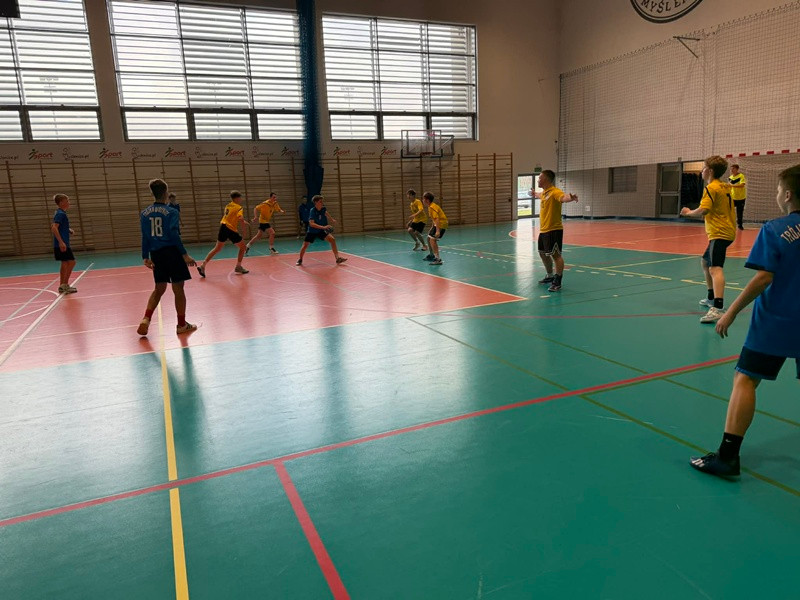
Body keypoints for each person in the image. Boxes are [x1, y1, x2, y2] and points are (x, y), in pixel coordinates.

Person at [690, 164, 800, 478]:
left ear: (787, 195)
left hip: (776, 321)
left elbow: (764, 278)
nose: (777, 194)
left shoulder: (776, 229)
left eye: (778, 190)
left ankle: (727, 456)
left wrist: (731, 311)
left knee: (746, 379)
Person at [137, 179, 197, 336]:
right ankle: (181, 325)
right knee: (178, 289)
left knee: (159, 289)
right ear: (165, 192)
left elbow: (145, 236)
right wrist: (185, 255)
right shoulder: (172, 212)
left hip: (156, 254)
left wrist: (145, 256)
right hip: (172, 253)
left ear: (152, 193)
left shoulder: (144, 213)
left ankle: (146, 318)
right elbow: (174, 235)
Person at [680, 155, 737, 323]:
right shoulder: (724, 186)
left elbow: (704, 210)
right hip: (727, 231)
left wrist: (688, 213)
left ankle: (718, 308)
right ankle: (711, 297)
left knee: (715, 269)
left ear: (710, 171)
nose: (702, 171)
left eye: (704, 168)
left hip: (720, 233)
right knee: (705, 262)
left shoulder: (711, 188)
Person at [533, 170, 578, 292]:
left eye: (540, 178)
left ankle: (557, 281)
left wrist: (570, 198)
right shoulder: (545, 193)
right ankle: (550, 275)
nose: (538, 180)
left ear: (546, 179)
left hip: (554, 229)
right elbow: (539, 195)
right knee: (542, 253)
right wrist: (534, 193)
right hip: (544, 230)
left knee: (556, 255)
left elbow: (563, 197)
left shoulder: (555, 192)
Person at [197, 190, 250, 277]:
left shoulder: (228, 205)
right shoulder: (239, 207)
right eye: (240, 198)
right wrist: (244, 231)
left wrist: (244, 221)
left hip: (223, 227)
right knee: (243, 247)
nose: (241, 199)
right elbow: (240, 219)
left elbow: (231, 217)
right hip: (230, 229)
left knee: (217, 248)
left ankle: (203, 265)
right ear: (237, 198)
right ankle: (238, 267)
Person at [296, 195, 347, 266]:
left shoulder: (323, 209)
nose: (322, 203)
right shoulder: (312, 211)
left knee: (332, 239)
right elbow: (311, 224)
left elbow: (325, 212)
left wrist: (331, 219)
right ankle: (300, 259)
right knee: (305, 245)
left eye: (322, 201)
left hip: (320, 230)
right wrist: (323, 227)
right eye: (320, 201)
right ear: (316, 202)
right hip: (312, 231)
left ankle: (337, 258)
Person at [51, 193, 77, 294]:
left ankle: (63, 286)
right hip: (62, 243)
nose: (69, 203)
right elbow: (54, 227)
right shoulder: (60, 214)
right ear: (61, 202)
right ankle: (64, 284)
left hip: (62, 243)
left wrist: (68, 230)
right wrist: (61, 242)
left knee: (65, 263)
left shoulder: (59, 213)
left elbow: (58, 226)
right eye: (67, 201)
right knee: (72, 262)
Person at [422, 192, 447, 265]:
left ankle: (438, 259)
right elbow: (434, 219)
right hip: (437, 224)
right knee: (428, 238)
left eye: (423, 199)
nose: (422, 200)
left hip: (441, 224)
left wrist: (438, 231)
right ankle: (431, 255)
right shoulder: (430, 206)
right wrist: (432, 227)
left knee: (432, 240)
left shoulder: (432, 207)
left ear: (427, 200)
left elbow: (437, 219)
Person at [728, 164, 747, 230]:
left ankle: (740, 225)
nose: (732, 170)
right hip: (733, 197)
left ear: (737, 169)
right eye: (731, 169)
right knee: (729, 211)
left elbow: (742, 185)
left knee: (739, 212)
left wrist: (732, 185)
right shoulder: (730, 177)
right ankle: (730, 224)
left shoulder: (741, 176)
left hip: (741, 197)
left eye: (733, 169)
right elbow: (729, 187)